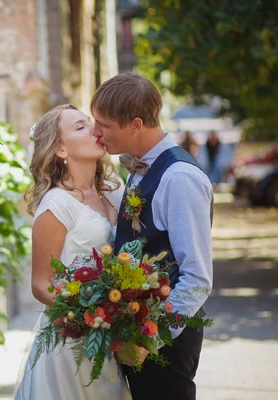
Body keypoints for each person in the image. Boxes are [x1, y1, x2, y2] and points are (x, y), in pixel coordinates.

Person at [91, 72, 213, 400]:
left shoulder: (180, 178)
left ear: (135, 124)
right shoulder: (139, 167)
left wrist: (149, 337)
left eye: (103, 124)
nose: (95, 132)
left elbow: (197, 278)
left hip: (165, 344)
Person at [13, 104, 131, 399]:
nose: (94, 129)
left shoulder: (115, 191)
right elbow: (41, 284)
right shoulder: (57, 205)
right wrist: (90, 321)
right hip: (71, 345)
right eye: (80, 127)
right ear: (60, 150)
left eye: (90, 123)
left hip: (112, 335)